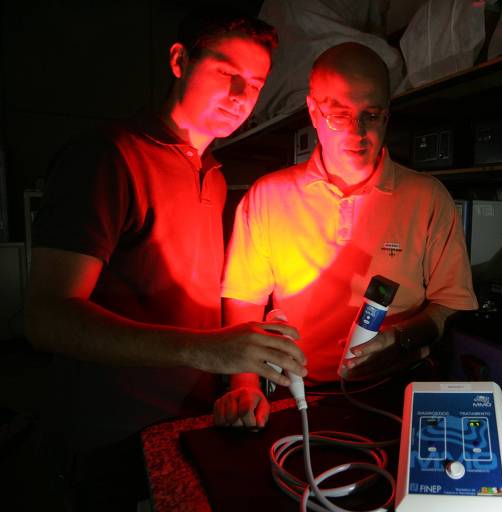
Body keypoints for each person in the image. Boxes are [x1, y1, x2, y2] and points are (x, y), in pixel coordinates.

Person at [24, 7, 306, 509]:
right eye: (226, 73)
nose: (242, 97)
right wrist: (207, 350)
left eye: (256, 84)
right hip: (110, 441)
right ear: (179, 60)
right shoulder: (109, 158)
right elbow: (47, 316)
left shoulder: (213, 174)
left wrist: (239, 380)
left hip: (188, 425)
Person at [215, 42, 477, 427]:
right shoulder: (268, 196)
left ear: (387, 115)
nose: (358, 132)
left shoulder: (427, 197)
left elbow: (450, 303)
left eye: (371, 115)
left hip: (397, 391)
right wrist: (244, 382)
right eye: (339, 115)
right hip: (300, 394)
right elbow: (243, 298)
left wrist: (401, 338)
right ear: (313, 112)